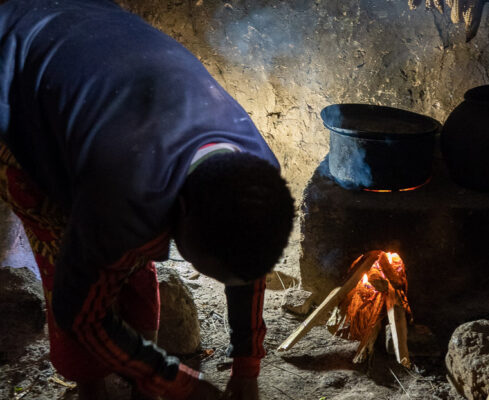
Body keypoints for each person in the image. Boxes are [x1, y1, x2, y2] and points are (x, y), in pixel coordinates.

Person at [0, 0, 295, 399]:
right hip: (16, 59)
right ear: (181, 210)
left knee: (131, 257)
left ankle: (138, 375)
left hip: (99, 48)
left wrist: (247, 368)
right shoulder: (121, 193)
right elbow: (79, 312)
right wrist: (176, 382)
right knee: (67, 251)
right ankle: (93, 388)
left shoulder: (256, 172)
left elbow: (248, 263)